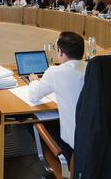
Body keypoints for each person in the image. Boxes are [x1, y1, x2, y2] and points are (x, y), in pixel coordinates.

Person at [28, 32, 87, 162]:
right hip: (92, 139)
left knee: (30, 122)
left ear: (61, 52)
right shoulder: (91, 69)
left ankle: (58, 163)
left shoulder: (55, 72)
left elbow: (34, 95)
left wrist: (34, 81)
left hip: (72, 147)